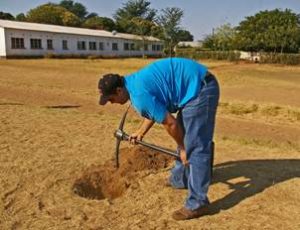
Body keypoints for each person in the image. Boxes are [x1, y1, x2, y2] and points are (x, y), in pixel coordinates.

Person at [98, 57, 220, 220]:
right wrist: (141, 132)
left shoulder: (138, 94)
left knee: (194, 146)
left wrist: (184, 149)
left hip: (200, 89)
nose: (112, 103)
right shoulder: (132, 83)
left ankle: (198, 203)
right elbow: (156, 108)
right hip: (192, 86)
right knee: (185, 138)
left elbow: (171, 123)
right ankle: (180, 179)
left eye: (111, 99)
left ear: (119, 90)